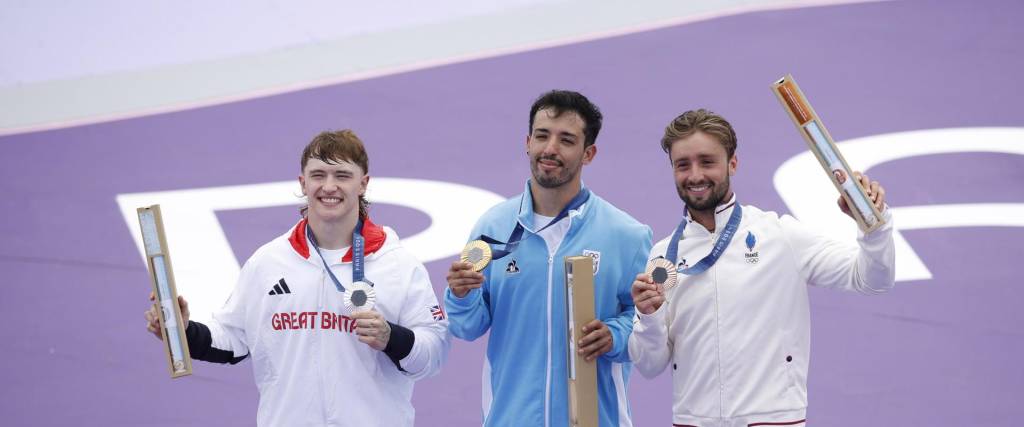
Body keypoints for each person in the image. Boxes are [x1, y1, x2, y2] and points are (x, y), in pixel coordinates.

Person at [144, 130, 450, 426]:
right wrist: (181, 330)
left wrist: (391, 338)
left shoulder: (397, 264)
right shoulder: (269, 262)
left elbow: (433, 353)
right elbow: (234, 339)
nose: (329, 187)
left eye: (342, 175)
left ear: (363, 184)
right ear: (303, 183)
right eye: (318, 175)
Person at [628, 109, 895, 426]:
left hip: (773, 420)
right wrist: (649, 316)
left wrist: (874, 226)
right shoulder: (664, 255)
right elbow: (649, 364)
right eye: (682, 165)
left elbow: (871, 279)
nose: (695, 175)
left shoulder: (780, 235)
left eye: (707, 161)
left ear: (733, 164)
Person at [445, 90, 652, 426]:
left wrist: (615, 333)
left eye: (566, 140)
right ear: (528, 142)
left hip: (595, 419)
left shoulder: (626, 235)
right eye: (542, 136)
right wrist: (460, 295)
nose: (550, 149)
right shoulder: (493, 227)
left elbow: (648, 322)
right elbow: (466, 326)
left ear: (589, 153)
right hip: (510, 419)